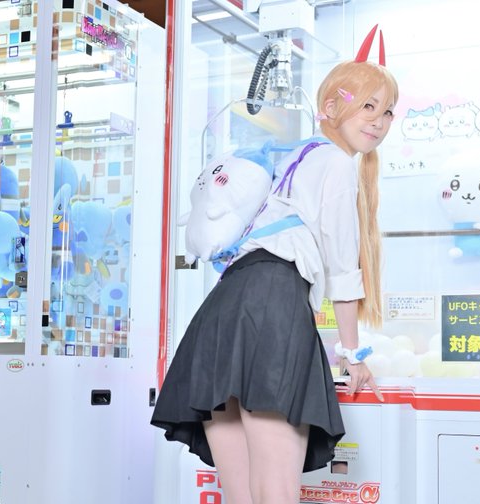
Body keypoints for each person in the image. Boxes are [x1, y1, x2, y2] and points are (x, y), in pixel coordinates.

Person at [151, 24, 399, 504]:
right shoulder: (336, 163)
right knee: (276, 492)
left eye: (387, 111)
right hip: (273, 307)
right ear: (332, 106)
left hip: (224, 309)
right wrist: (353, 354)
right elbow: (343, 269)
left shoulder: (294, 158)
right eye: (368, 106)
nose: (379, 121)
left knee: (242, 494)